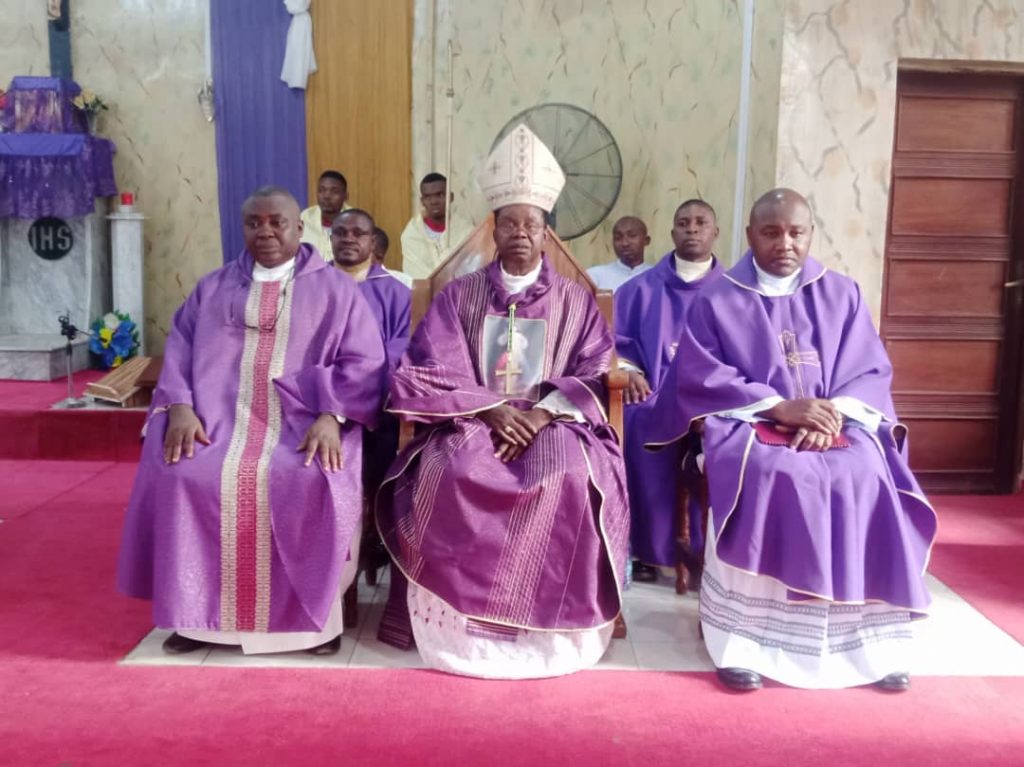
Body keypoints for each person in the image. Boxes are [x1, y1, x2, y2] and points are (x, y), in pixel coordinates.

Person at [645, 188, 936, 691]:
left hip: (836, 424)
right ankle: (746, 642)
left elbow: (867, 369)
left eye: (796, 232)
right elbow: (698, 375)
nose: (785, 243)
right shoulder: (718, 298)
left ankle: (871, 647)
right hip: (749, 424)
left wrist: (831, 417)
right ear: (750, 236)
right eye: (772, 232)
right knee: (774, 473)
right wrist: (778, 407)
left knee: (866, 471)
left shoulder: (841, 293)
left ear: (810, 235)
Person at [376, 124, 630, 679]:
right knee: (449, 469)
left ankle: (551, 633)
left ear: (546, 234)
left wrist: (540, 412)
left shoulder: (573, 300)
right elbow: (427, 366)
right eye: (509, 223)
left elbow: (594, 366)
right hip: (471, 420)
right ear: (493, 229)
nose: (520, 232)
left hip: (552, 423)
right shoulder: (460, 294)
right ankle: (461, 632)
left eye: (531, 224)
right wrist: (490, 409)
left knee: (566, 474)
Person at [117, 186, 386, 656]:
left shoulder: (337, 290)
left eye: (275, 222)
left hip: (301, 429)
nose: (264, 231)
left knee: (306, 478)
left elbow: (365, 362)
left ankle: (312, 626)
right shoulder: (213, 286)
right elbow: (178, 348)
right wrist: (178, 405)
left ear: (299, 228)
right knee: (185, 474)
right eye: (253, 223)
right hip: (216, 428)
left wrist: (333, 415)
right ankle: (198, 621)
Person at [614, 201, 722, 584]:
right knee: (633, 418)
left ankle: (715, 551)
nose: (691, 229)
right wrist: (628, 371)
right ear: (671, 233)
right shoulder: (637, 290)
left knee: (729, 433)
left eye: (700, 223)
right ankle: (645, 547)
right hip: (654, 393)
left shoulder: (736, 293)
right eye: (683, 223)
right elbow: (615, 344)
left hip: (716, 400)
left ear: (715, 233)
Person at [400, 172, 472, 279]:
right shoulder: (411, 236)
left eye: (439, 195)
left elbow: (471, 272)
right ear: (422, 201)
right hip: (426, 295)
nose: (433, 201)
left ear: (451, 197)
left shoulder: (467, 232)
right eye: (428, 197)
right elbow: (416, 278)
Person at [586, 216, 652, 292]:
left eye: (632, 236)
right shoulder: (595, 276)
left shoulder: (658, 276)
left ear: (646, 241)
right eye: (618, 237)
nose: (624, 243)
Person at [300, 170, 350, 261]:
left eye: (334, 191)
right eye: (321, 190)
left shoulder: (355, 221)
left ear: (345, 196)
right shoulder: (304, 218)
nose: (326, 196)